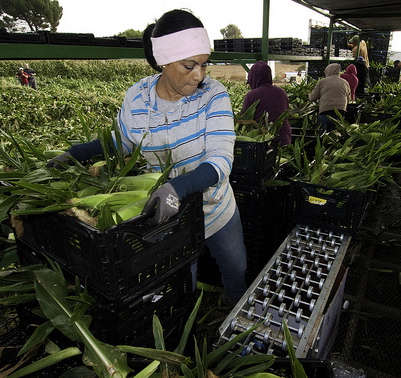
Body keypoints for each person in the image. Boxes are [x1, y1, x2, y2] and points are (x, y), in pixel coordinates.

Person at [47, 9, 248, 306]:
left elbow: (220, 159)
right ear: (162, 61)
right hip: (169, 217)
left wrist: (177, 188)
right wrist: (73, 155)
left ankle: (234, 309)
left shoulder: (213, 95)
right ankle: (190, 332)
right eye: (189, 65)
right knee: (182, 278)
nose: (199, 75)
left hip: (215, 207)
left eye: (205, 65)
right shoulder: (138, 99)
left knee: (236, 268)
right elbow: (124, 142)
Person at [241, 61, 292, 146]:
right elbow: (286, 112)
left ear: (253, 79)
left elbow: (244, 120)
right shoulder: (282, 92)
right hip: (284, 137)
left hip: (264, 142)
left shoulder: (252, 95)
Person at [309, 63, 351, 132]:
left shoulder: (323, 81)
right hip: (340, 112)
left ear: (329, 71)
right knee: (335, 135)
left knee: (321, 135)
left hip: (325, 111)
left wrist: (309, 96)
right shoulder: (345, 82)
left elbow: (313, 98)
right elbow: (348, 99)